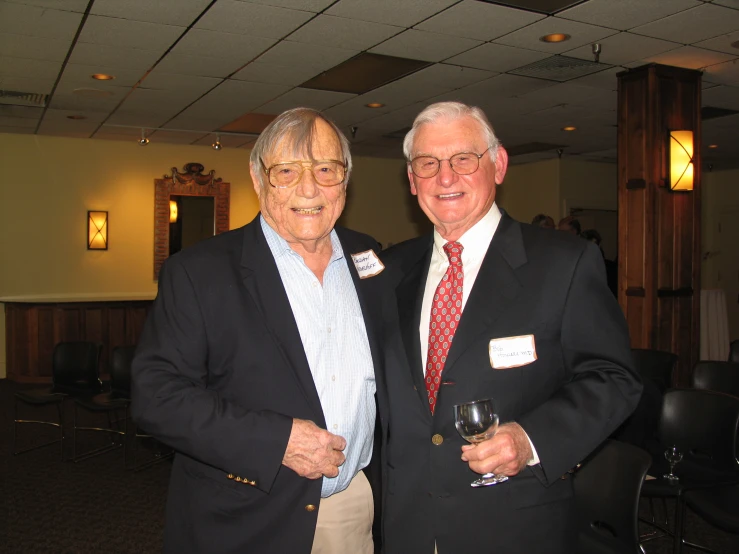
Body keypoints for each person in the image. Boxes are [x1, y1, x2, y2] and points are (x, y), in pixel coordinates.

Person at [380, 101, 641, 554]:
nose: (445, 177)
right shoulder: (391, 269)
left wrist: (531, 438)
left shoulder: (564, 263)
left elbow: (614, 379)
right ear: (411, 179)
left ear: (497, 165)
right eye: (428, 163)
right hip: (406, 527)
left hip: (512, 526)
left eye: (464, 158)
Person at [131, 108, 387, 554]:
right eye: (286, 171)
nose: (309, 188)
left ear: (345, 180)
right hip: (244, 514)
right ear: (257, 178)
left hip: (350, 507)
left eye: (326, 169)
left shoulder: (373, 259)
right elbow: (157, 397)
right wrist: (277, 441)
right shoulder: (199, 272)